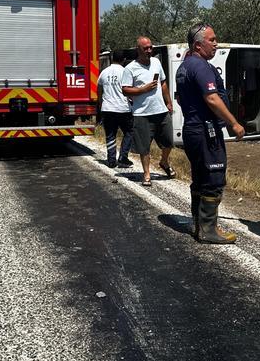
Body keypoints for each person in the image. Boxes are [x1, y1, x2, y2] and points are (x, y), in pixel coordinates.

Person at [175, 23, 245, 243]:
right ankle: (208, 230)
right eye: (211, 40)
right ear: (197, 44)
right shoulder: (201, 66)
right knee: (213, 179)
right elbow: (212, 98)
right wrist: (234, 123)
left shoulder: (184, 66)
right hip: (205, 130)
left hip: (192, 129)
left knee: (200, 179)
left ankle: (199, 224)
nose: (216, 43)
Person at [121, 36, 174, 187]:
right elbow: (125, 90)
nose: (149, 50)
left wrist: (168, 101)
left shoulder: (156, 62)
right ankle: (147, 174)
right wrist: (142, 89)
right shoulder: (130, 68)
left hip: (161, 111)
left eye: (151, 47)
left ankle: (164, 161)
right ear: (138, 49)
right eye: (146, 48)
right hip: (142, 114)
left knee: (169, 142)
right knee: (145, 147)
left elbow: (162, 82)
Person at [97, 49, 134, 168]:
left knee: (110, 134)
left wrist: (100, 104)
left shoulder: (104, 72)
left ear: (112, 58)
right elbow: (129, 91)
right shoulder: (125, 72)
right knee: (129, 132)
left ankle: (111, 160)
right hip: (123, 108)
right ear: (123, 60)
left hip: (107, 108)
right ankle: (123, 157)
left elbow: (99, 89)